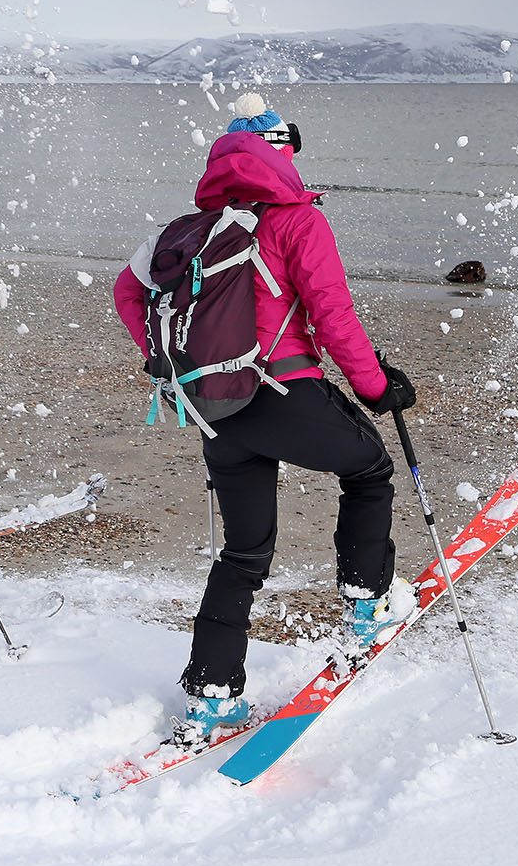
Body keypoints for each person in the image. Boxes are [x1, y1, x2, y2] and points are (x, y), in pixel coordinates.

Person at [112, 92, 417, 742]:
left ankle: (213, 696)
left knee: (243, 553)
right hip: (283, 393)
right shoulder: (295, 221)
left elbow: (127, 291)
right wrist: (374, 387)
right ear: (281, 159)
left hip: (216, 408)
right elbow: (333, 317)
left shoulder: (188, 230)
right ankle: (368, 605)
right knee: (370, 470)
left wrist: (175, 366)